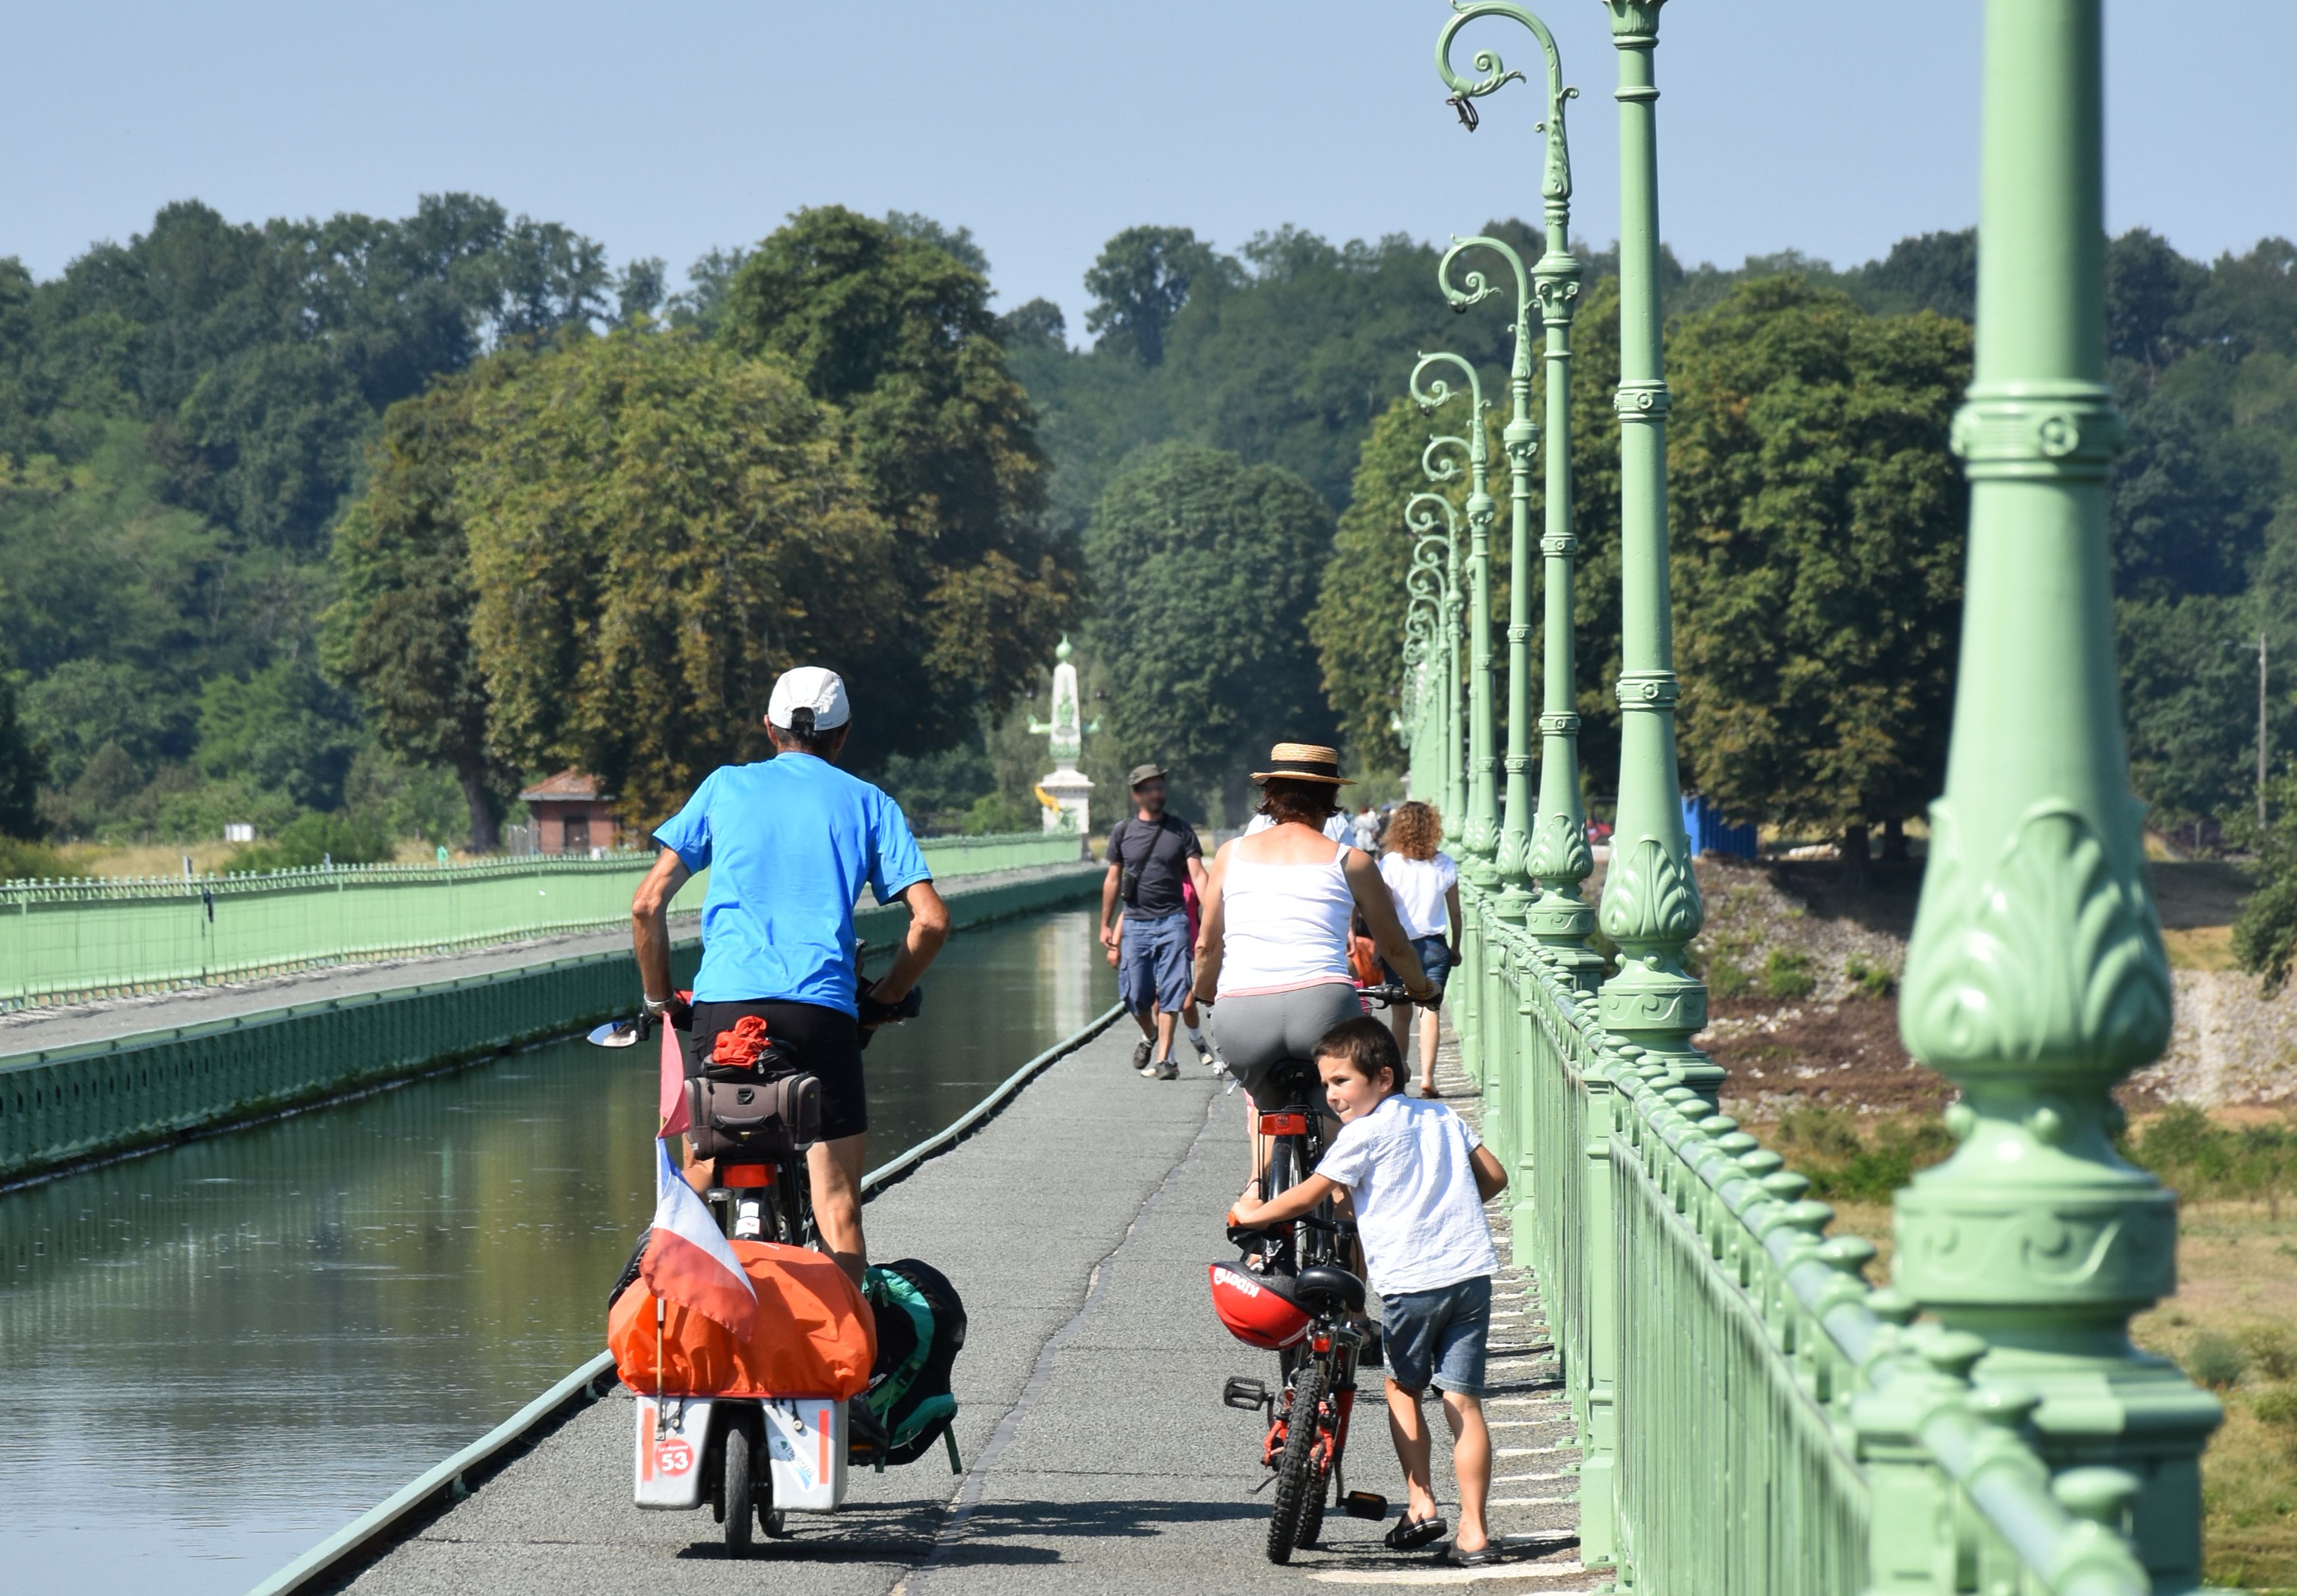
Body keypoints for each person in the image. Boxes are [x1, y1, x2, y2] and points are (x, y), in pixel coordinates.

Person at [629, 665, 951, 1288]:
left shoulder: (724, 787)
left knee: (695, 1182)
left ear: (769, 729)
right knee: (837, 1206)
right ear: (843, 734)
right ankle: (845, 1370)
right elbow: (931, 922)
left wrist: (659, 999)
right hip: (821, 1014)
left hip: (725, 1012)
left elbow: (647, 905)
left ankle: (668, 1343)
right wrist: (881, 999)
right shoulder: (869, 802)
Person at [1228, 1017, 1507, 1567]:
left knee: (1404, 1390)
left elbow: (1310, 1196)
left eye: (1341, 1082)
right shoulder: (1441, 1116)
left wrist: (1252, 1213)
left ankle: (1421, 1503)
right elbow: (1494, 1178)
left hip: (1412, 1282)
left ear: (1382, 1078)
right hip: (1471, 1272)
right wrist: (1446, 1205)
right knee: (1463, 1402)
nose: (1332, 1096)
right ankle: (1475, 1533)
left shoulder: (1361, 1136)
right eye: (1327, 1084)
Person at [1189, 742, 1434, 1138]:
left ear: (1269, 796)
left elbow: (1207, 946)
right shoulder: (1352, 861)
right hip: (1323, 1008)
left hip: (1243, 1014)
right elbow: (1395, 947)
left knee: (1264, 1104)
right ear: (1331, 797)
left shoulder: (1229, 855)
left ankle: (1257, 1192)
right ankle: (1338, 1186)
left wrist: (1204, 992)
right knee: (1346, 1104)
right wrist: (1422, 989)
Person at [1100, 764, 1211, 1079]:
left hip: (1174, 922)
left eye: (1160, 786)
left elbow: (1199, 875)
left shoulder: (1181, 831)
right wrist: (1105, 925)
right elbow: (1112, 879)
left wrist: (1215, 919)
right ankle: (1149, 1035)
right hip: (1135, 923)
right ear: (1136, 794)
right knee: (1136, 995)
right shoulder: (1123, 832)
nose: (1156, 792)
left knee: (1175, 990)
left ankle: (1165, 1060)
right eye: (1149, 788)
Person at [1377, 800, 1462, 1097]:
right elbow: (1455, 913)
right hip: (1434, 946)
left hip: (1399, 946)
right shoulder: (1445, 864)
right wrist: (1456, 947)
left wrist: (1379, 945)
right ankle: (1427, 1077)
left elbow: (1382, 910)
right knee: (1430, 1012)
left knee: (1401, 1016)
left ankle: (1399, 1076)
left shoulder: (1389, 864)